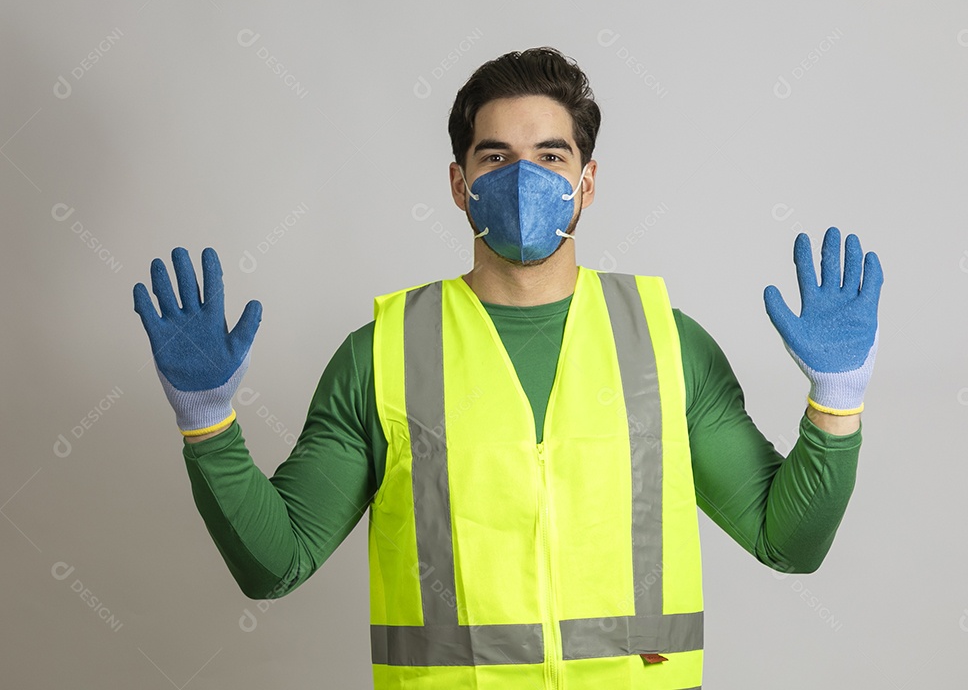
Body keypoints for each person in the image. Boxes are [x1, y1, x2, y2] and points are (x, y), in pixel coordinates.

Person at [133, 46, 882, 689]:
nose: (524, 179)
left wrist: (836, 401)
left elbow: (788, 544)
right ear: (459, 184)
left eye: (551, 156)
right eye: (496, 157)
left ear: (587, 182)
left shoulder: (667, 344)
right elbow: (276, 567)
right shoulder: (382, 354)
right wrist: (208, 424)